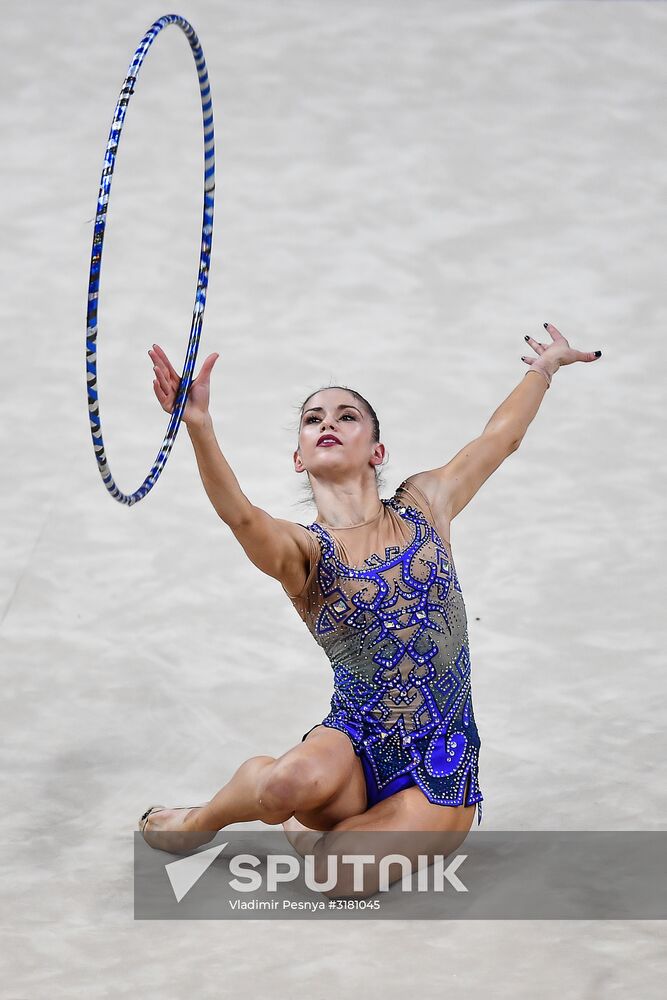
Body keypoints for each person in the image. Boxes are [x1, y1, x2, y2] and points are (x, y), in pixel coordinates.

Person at [139, 323, 602, 856]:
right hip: (350, 747)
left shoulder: (426, 505)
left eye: (346, 416)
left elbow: (500, 439)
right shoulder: (304, 554)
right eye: (313, 420)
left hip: (440, 766)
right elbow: (242, 519)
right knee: (284, 787)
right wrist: (198, 424)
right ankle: (199, 822)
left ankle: (317, 836)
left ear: (378, 451)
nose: (327, 424)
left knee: (333, 874)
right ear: (299, 457)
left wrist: (544, 368)